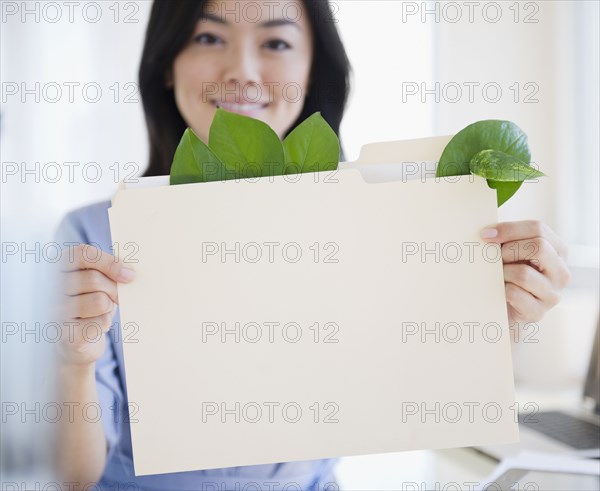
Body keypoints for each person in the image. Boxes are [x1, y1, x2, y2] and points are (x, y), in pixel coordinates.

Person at [54, 1, 571, 490]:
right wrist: (75, 360)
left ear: (311, 69)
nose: (242, 70)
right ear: (166, 63)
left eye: (276, 42)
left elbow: (419, 399)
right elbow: (74, 478)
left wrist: (497, 321)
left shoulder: (370, 221)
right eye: (209, 36)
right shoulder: (93, 241)